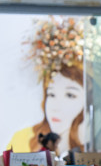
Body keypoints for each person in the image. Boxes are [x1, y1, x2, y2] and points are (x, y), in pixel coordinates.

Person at [8, 18, 85, 155]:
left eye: (70, 95)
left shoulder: (90, 142)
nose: (56, 107)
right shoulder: (22, 139)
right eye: (51, 94)